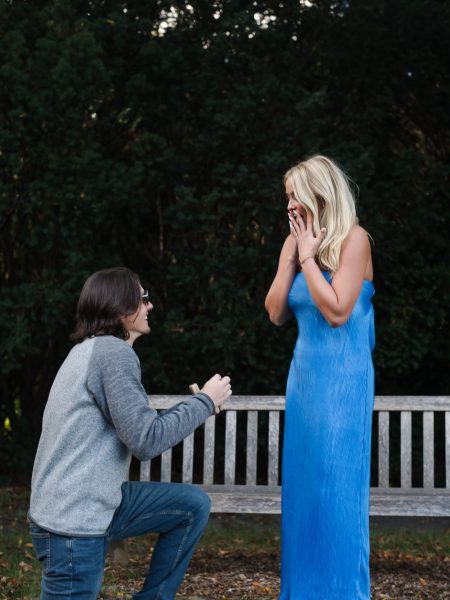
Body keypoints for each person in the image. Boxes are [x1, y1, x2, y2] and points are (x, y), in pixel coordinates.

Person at [29, 266, 232, 600]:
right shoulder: (112, 354)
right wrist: (206, 401)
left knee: (191, 506)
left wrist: (200, 403)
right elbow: (146, 440)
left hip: (92, 503)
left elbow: (139, 428)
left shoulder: (90, 350)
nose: (150, 306)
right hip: (72, 523)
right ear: (122, 309)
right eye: (144, 298)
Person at [265, 155, 375, 599]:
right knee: (305, 491)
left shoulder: (355, 240)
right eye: (287, 197)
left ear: (318, 193)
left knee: (336, 492)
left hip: (343, 383)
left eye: (294, 195)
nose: (289, 204)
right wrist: (291, 257)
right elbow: (274, 312)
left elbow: (337, 310)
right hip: (305, 382)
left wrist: (309, 259)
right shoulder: (292, 245)